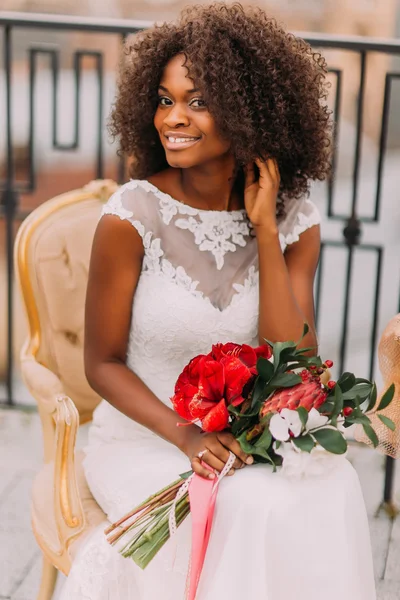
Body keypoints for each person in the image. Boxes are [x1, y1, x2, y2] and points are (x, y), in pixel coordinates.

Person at [60, 3, 376, 599]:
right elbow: (100, 363)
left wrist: (264, 232)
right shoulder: (130, 216)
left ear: (251, 114)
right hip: (146, 439)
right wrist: (185, 436)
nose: (172, 118)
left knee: (329, 487)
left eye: (198, 101)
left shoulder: (294, 223)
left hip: (247, 438)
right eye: (163, 98)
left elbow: (293, 363)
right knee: (253, 508)